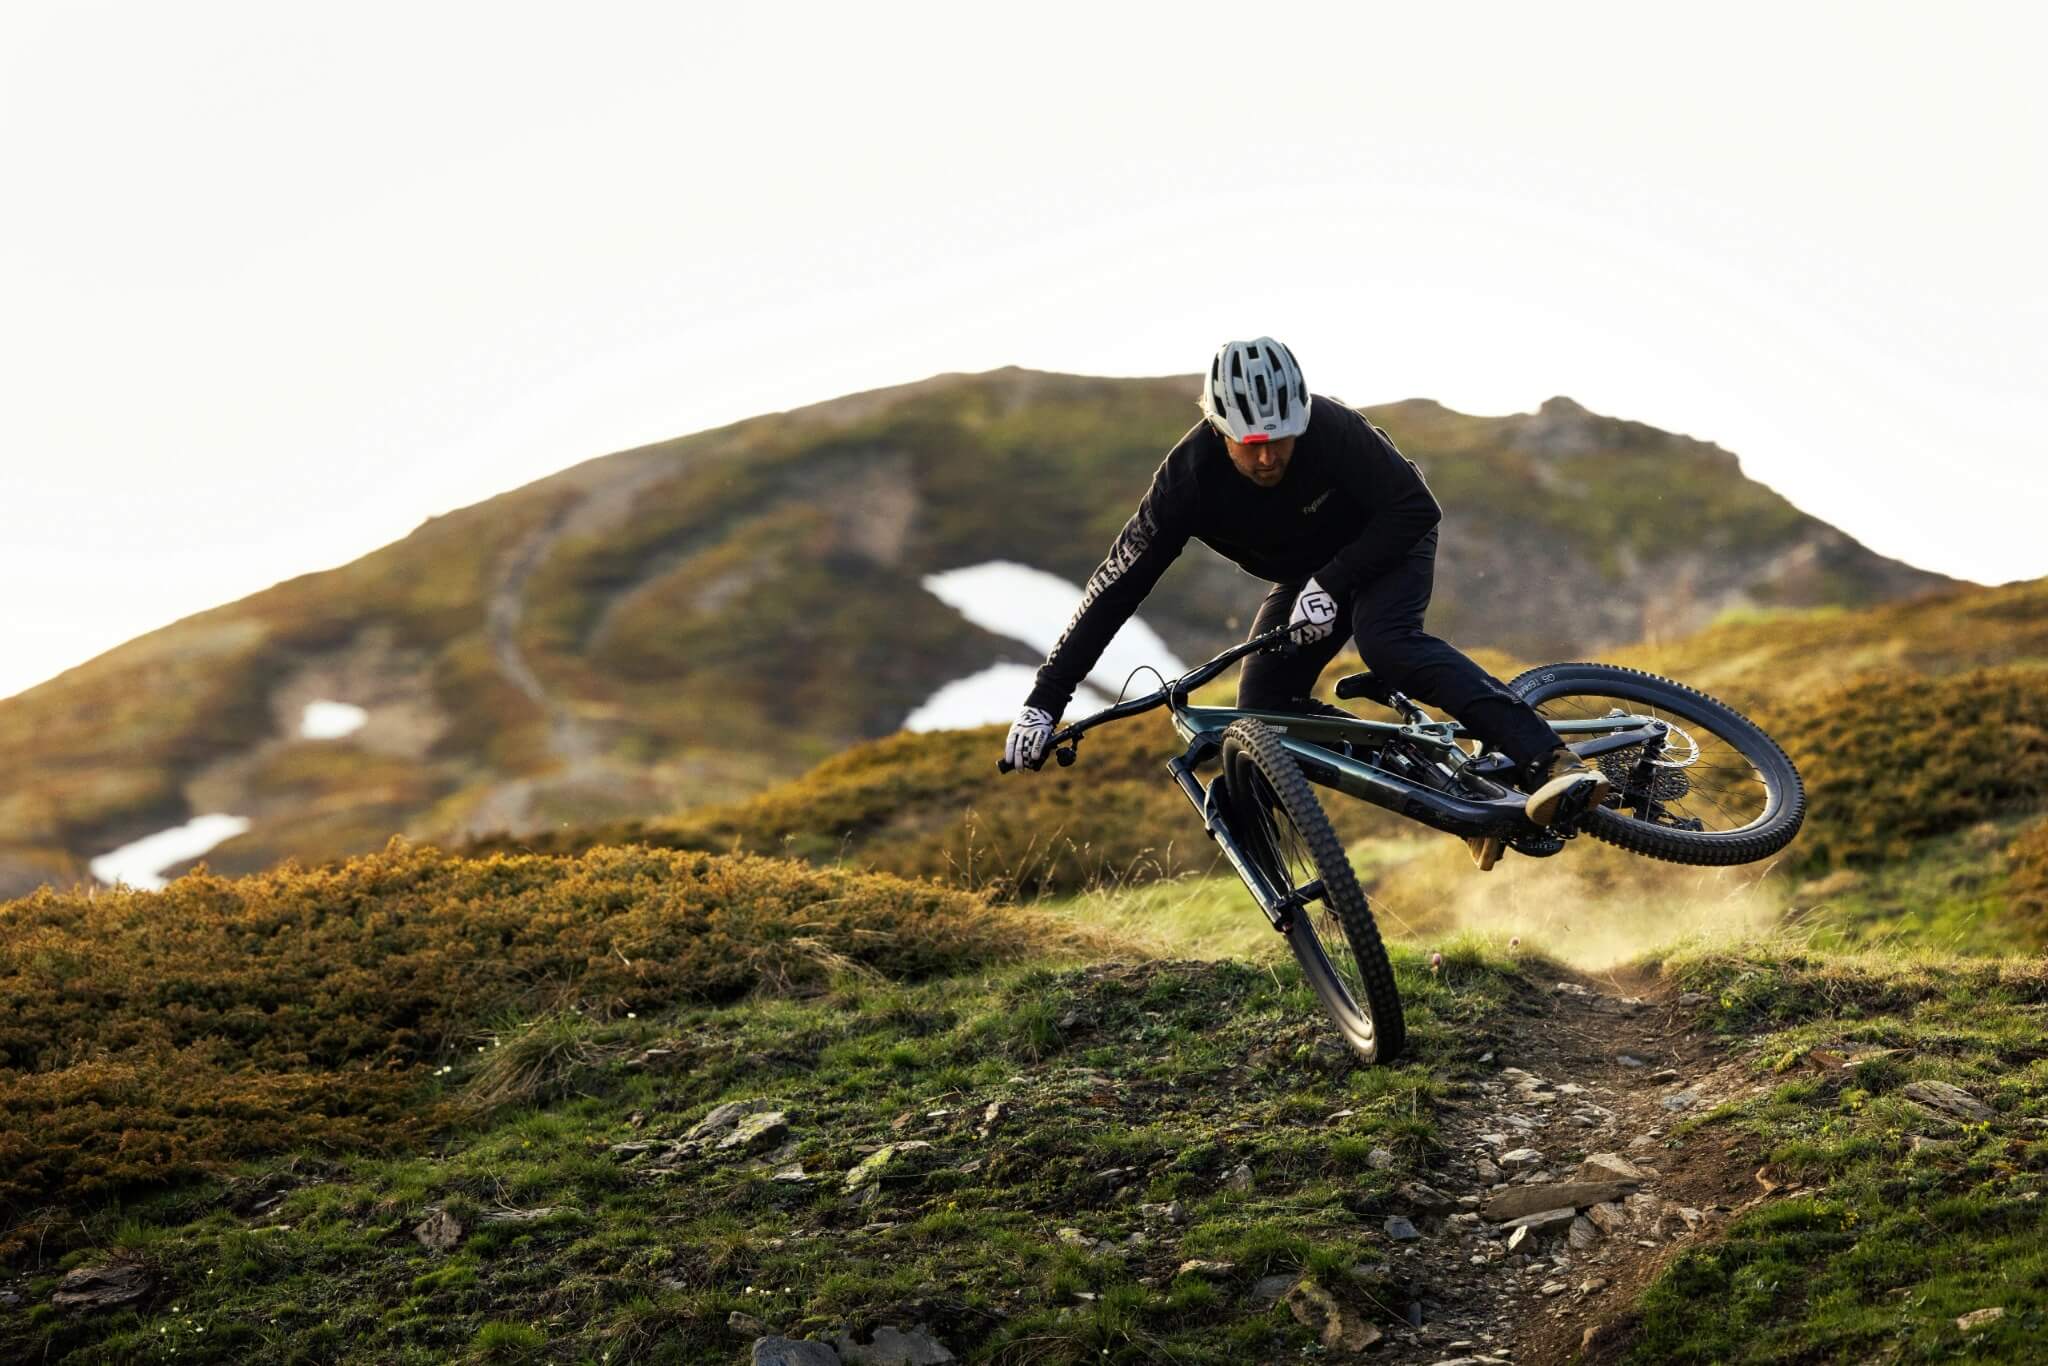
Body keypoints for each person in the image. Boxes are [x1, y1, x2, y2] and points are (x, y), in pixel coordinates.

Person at [1000, 336, 1609, 863]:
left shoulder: (1332, 427)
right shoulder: (1186, 481)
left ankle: (1553, 761)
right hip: (1307, 577)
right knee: (1264, 713)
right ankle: (1461, 799)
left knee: (1388, 644)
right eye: (1250, 444)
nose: (1268, 456)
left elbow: (1416, 508)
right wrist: (1044, 703)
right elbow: (1116, 587)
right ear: (1218, 428)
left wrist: (1331, 583)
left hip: (1388, 539)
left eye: (1280, 440)